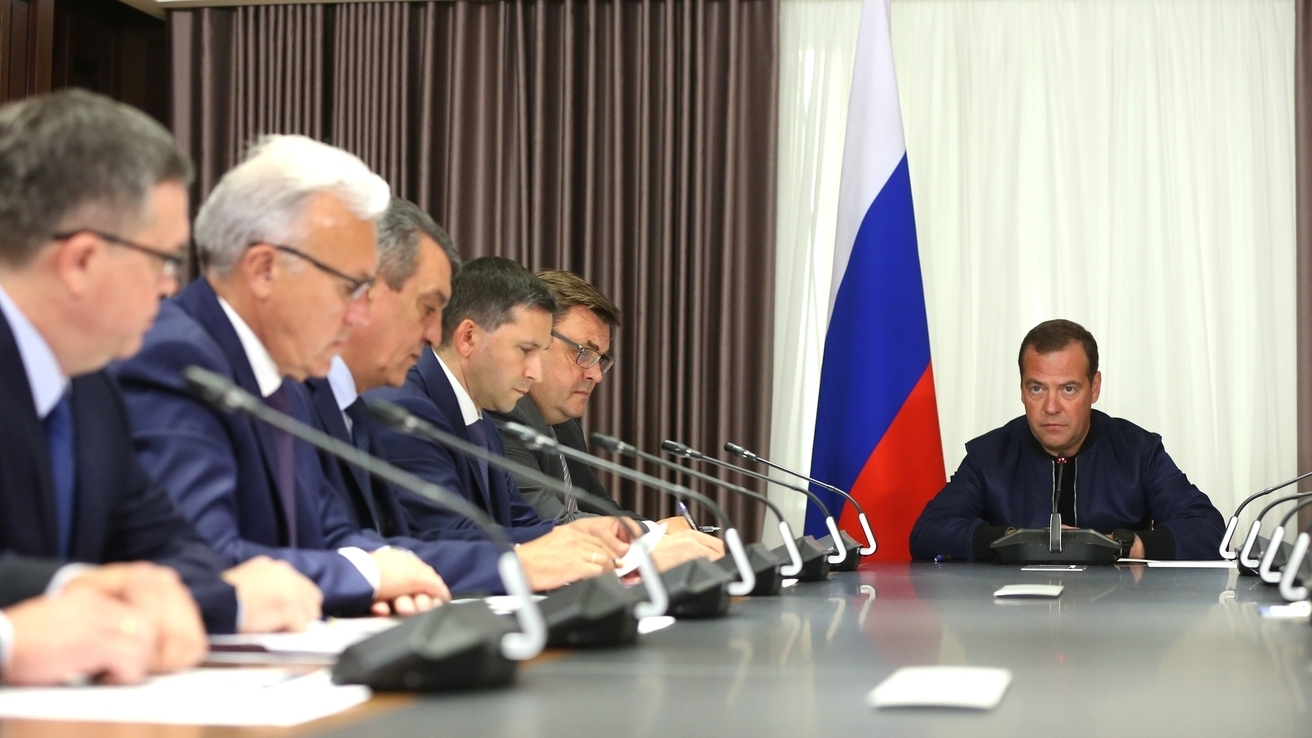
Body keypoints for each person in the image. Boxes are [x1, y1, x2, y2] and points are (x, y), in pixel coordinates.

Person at [0, 90, 318, 685]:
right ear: (81, 261)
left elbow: (173, 548)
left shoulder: (91, 389)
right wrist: (55, 597)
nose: (171, 286)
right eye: (163, 259)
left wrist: (221, 598)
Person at [112, 135, 500, 615]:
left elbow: (330, 532)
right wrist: (366, 577)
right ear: (264, 270)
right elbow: (205, 560)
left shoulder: (286, 381)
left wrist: (389, 575)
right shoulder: (175, 359)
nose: (359, 315)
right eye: (349, 287)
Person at [368, 257, 638, 590]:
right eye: (525, 350)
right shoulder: (406, 408)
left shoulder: (479, 421)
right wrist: (562, 554)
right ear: (468, 338)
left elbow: (518, 523)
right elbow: (447, 536)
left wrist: (587, 536)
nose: (534, 372)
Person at [909, 319, 1226, 561]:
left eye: (1068, 389)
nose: (1051, 407)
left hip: (1116, 618)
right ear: (1022, 389)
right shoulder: (989, 456)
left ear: (1094, 387)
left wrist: (1117, 546)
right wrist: (1019, 540)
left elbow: (1208, 529)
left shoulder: (1139, 452)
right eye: (1037, 388)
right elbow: (928, 532)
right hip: (1015, 619)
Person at [488, 270, 724, 568]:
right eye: (583, 353)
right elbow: (550, 524)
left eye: (600, 360)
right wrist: (655, 533)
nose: (596, 375)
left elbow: (601, 510)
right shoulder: (502, 414)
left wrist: (662, 532)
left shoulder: (565, 425)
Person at [305, 197, 459, 536]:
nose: (434, 335)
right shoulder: (291, 401)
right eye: (427, 308)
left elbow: (397, 543)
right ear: (366, 289)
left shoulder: (357, 410)